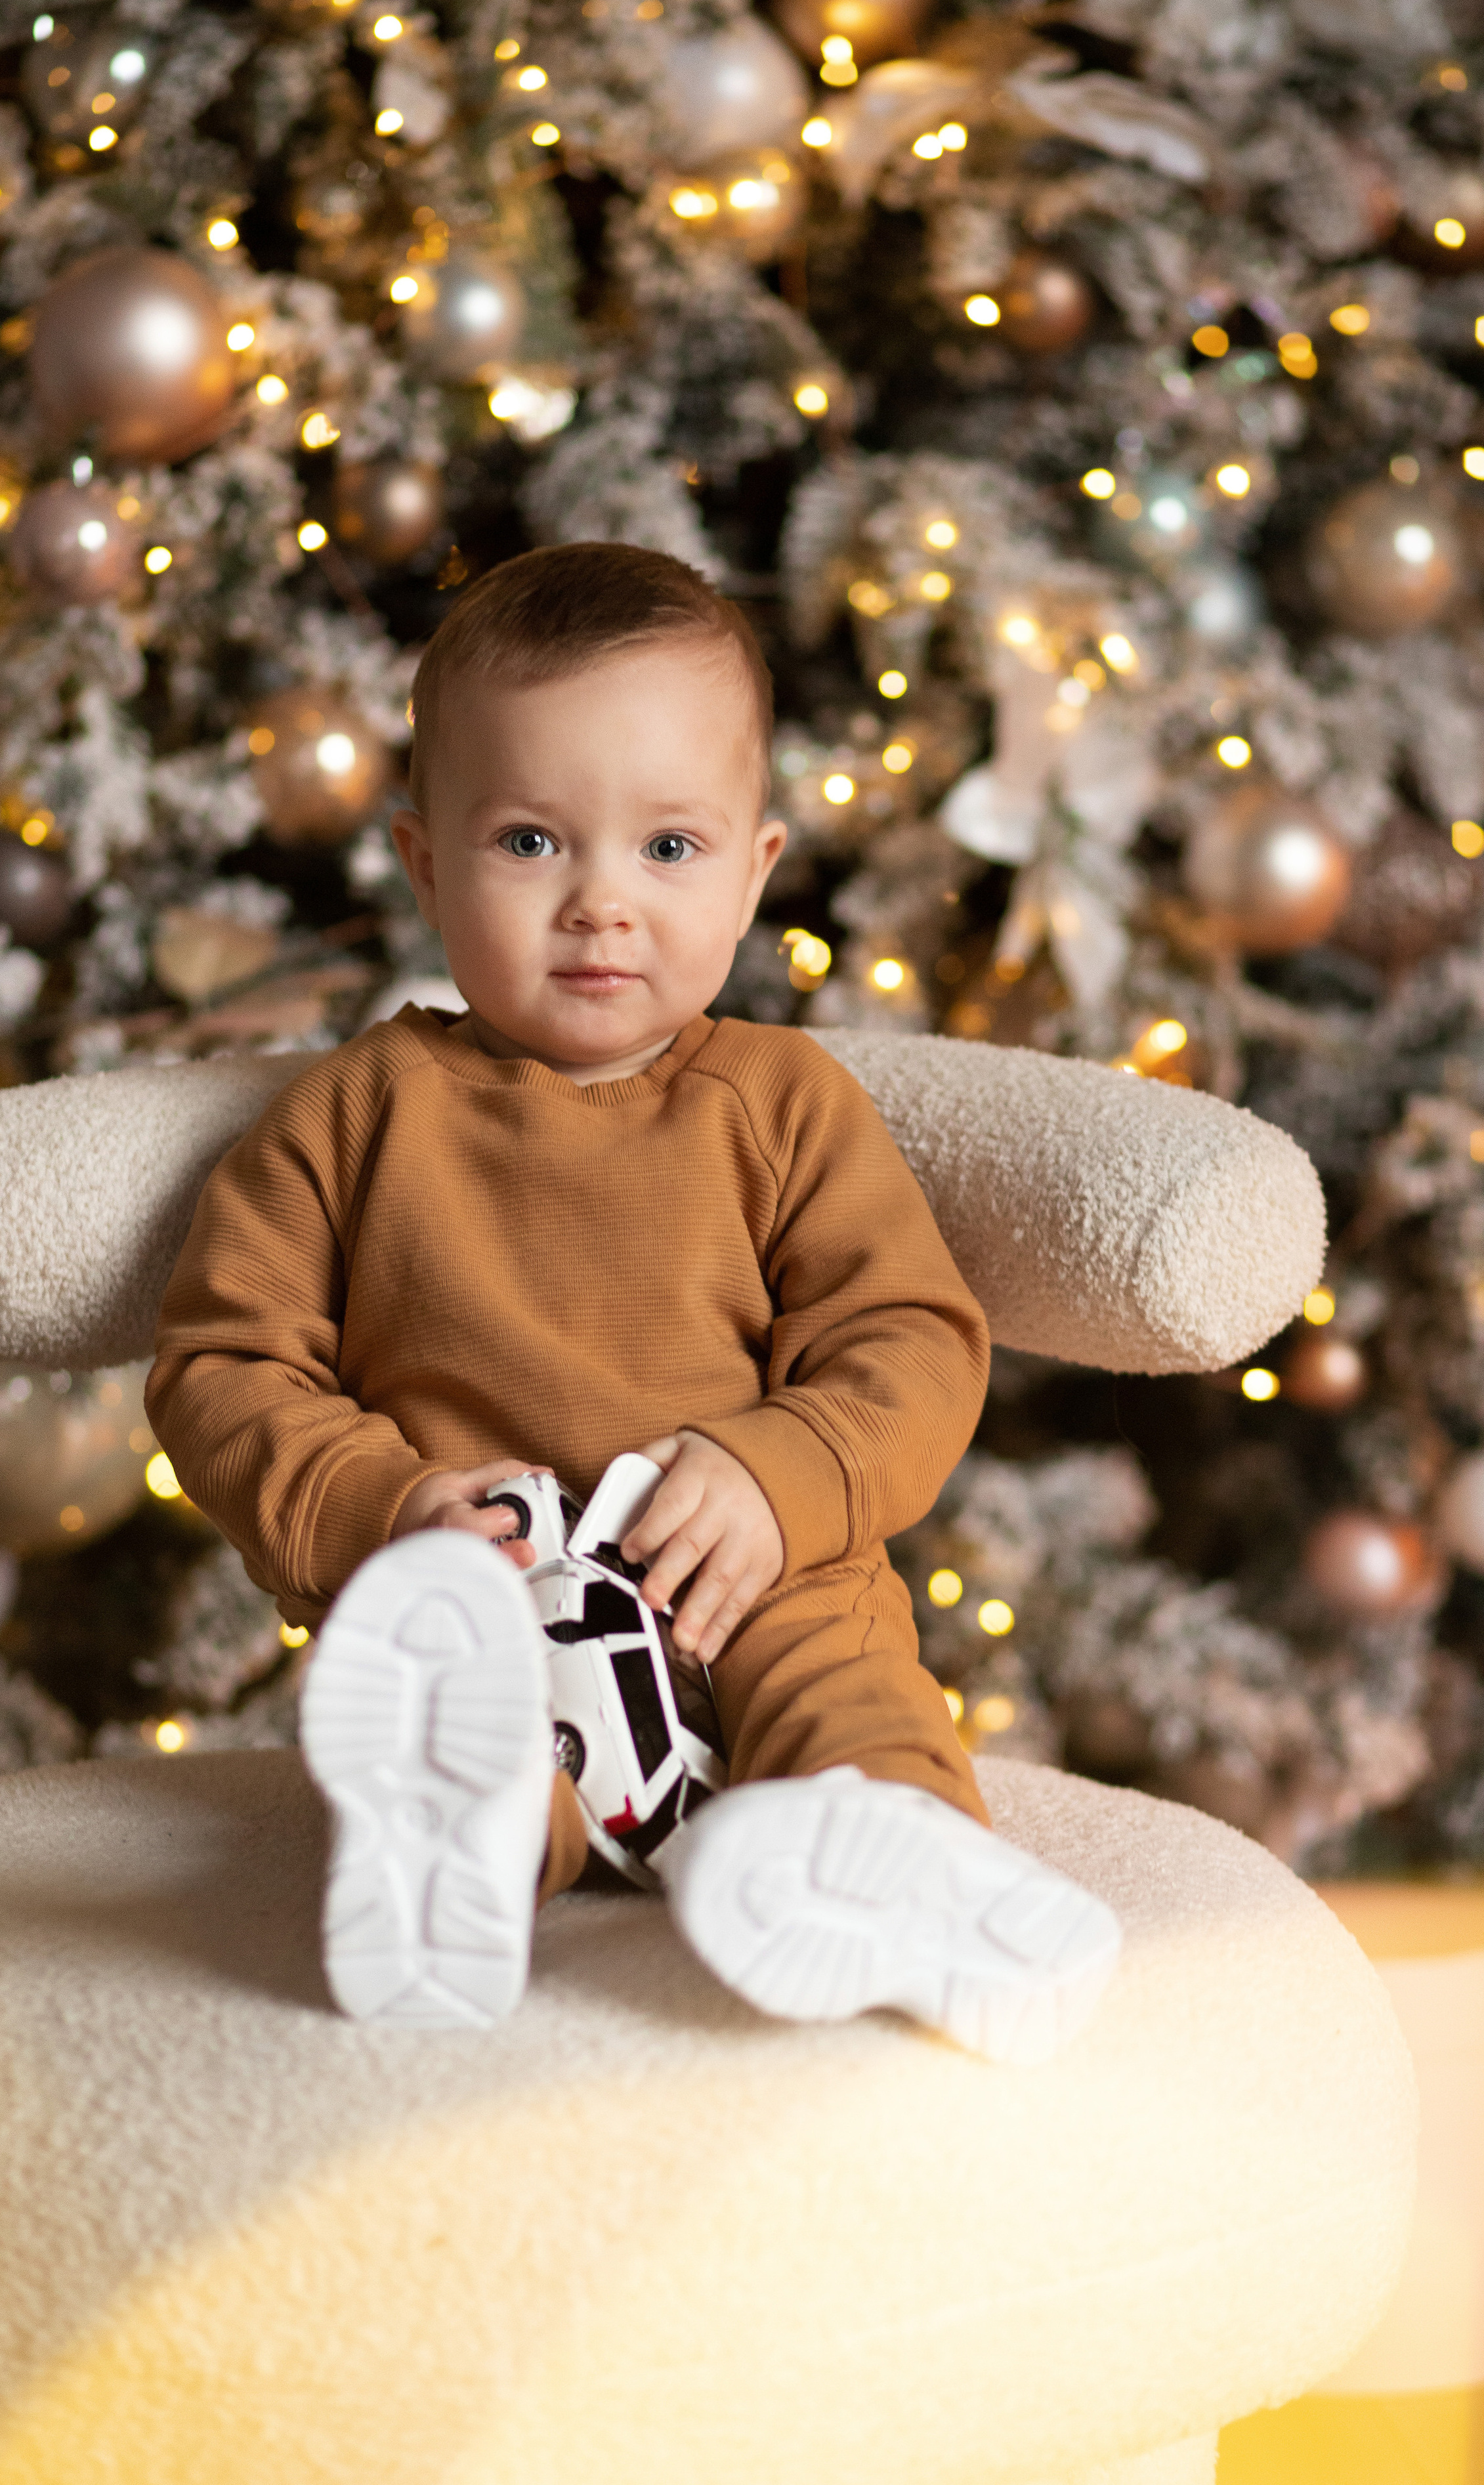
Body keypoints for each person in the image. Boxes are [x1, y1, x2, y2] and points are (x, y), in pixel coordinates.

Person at [145, 542, 1120, 2061]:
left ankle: (880, 1865)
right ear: (422, 858)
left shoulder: (783, 1104)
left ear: (754, 866)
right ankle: (458, 1855)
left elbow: (906, 1340)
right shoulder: (356, 1114)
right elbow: (224, 1362)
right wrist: (380, 1509)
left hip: (748, 1580)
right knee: (460, 1712)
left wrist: (777, 1472)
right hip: (490, 1592)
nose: (601, 903)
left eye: (666, 850)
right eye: (531, 842)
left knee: (840, 1698)